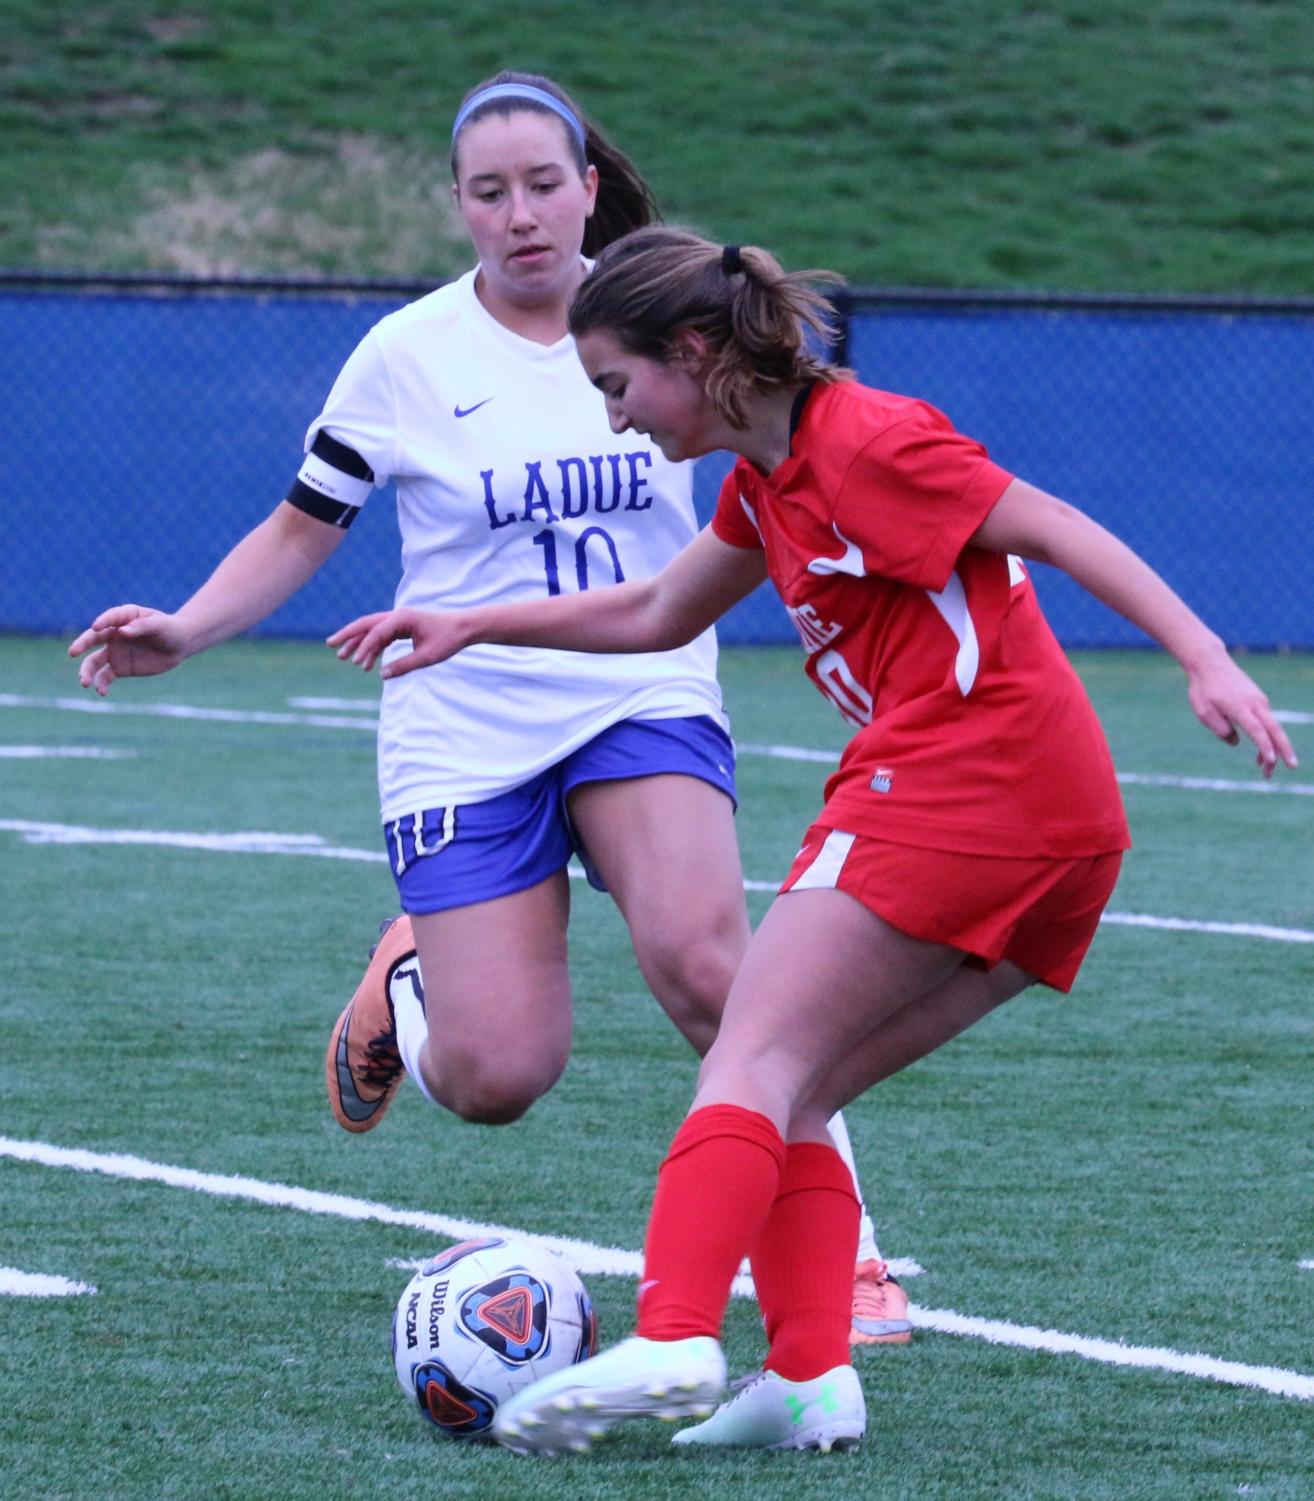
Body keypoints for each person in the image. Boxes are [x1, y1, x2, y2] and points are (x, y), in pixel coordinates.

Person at [327, 225, 1298, 1455]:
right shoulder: (766, 478)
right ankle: (808, 1377)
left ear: (693, 352)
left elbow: (1051, 525)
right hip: (1056, 822)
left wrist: (1205, 657)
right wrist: (475, 621)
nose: (619, 422)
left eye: (619, 388)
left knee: (747, 1053)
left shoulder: (867, 441)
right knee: (801, 1088)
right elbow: (653, 609)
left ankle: (675, 1332)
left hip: (965, 779)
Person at [65, 79, 908, 1345]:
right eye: (488, 192)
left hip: (641, 683)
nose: (520, 216)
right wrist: (186, 626)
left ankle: (849, 1258)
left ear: (587, 184)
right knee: (498, 1076)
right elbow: (305, 528)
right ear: (458, 204)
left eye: (542, 184)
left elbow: (806, 447)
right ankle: (412, 983)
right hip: (463, 714)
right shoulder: (407, 354)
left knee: (711, 965)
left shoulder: (675, 318)